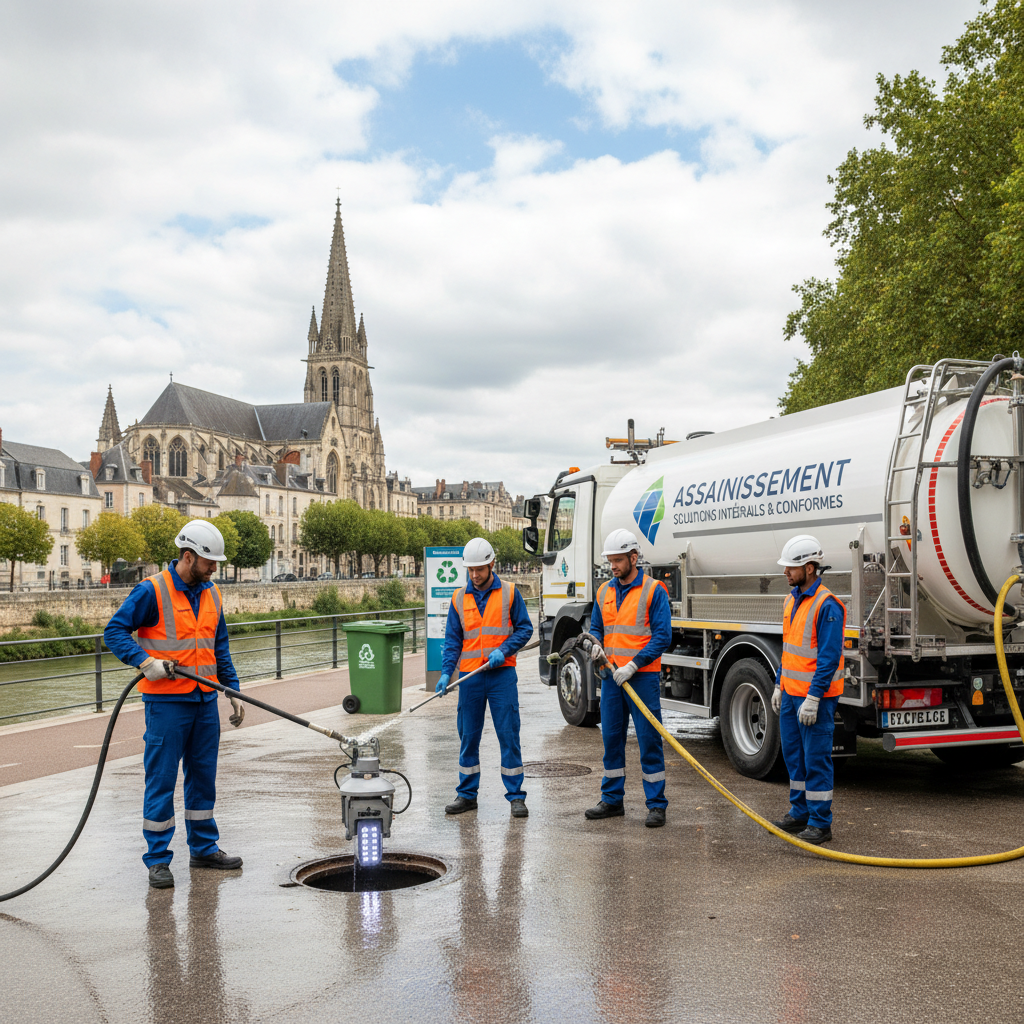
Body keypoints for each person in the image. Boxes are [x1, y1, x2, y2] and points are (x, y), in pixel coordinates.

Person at [104, 519, 246, 889]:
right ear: (188, 556)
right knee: (162, 780)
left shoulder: (213, 594)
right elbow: (114, 631)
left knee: (203, 778)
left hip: (205, 701)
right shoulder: (152, 590)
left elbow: (219, 646)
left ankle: (203, 849)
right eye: (209, 562)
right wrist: (144, 662)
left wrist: (232, 690)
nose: (214, 569)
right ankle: (157, 860)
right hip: (166, 703)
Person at [435, 536, 534, 818]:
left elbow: (525, 629)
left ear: (492, 565)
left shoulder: (510, 593)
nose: (475, 575)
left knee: (508, 734)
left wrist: (504, 650)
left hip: (502, 676)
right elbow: (453, 640)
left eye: (479, 569)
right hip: (470, 678)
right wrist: (446, 673)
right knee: (468, 736)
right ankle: (467, 795)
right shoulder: (458, 598)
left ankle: (516, 796)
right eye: (471, 570)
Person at [585, 529, 672, 827]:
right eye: (610, 561)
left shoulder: (654, 590)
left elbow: (662, 636)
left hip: (641, 678)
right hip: (611, 678)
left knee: (649, 741)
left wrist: (634, 665)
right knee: (611, 740)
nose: (613, 566)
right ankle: (611, 800)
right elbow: (597, 628)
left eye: (618, 560)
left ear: (634, 558)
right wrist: (594, 645)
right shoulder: (604, 592)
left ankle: (656, 805)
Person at [770, 534, 846, 846]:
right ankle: (800, 812)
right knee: (794, 756)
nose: (786, 571)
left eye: (791, 567)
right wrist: (778, 683)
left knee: (816, 759)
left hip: (815, 698)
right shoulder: (791, 601)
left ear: (810, 568)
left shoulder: (827, 605)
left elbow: (828, 658)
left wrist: (814, 698)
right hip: (791, 694)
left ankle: (820, 823)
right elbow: (788, 649)